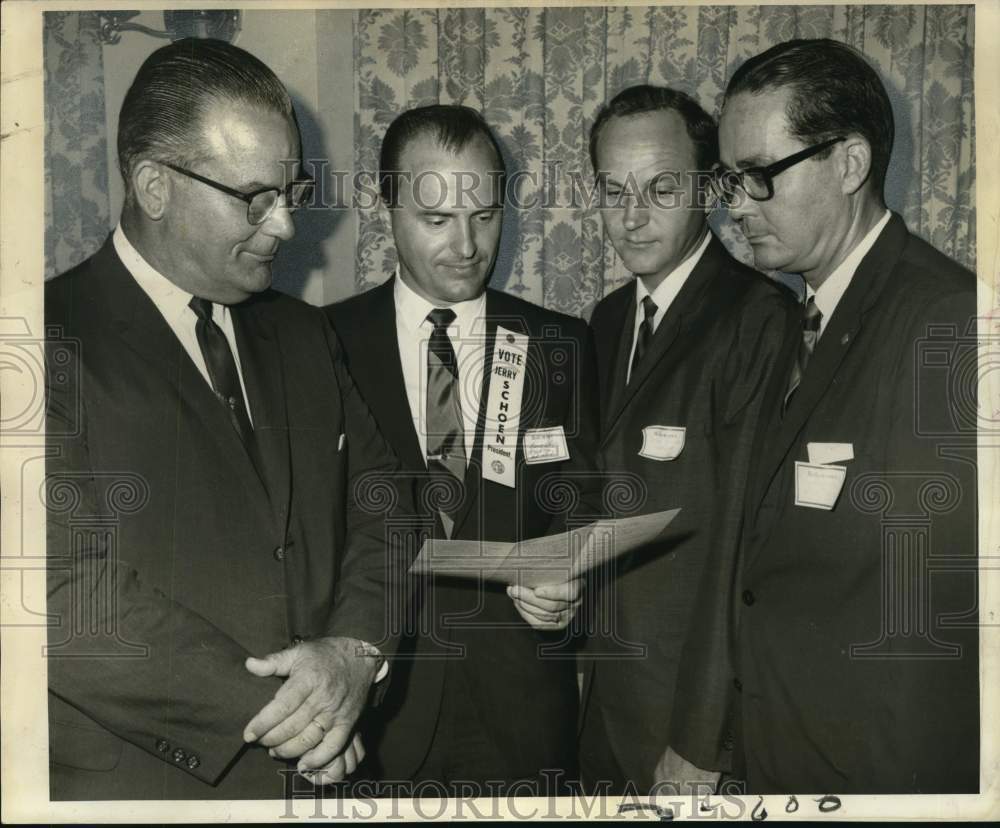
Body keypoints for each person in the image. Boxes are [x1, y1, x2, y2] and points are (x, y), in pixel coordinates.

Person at [45, 39, 408, 799]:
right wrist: (295, 715)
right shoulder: (42, 337)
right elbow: (60, 594)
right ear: (153, 185)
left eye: (292, 193)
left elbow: (388, 502)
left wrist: (353, 650)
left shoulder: (306, 336)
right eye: (254, 199)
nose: (282, 228)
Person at [705, 37, 979, 793]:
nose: (735, 204)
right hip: (782, 761)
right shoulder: (801, 316)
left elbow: (939, 628)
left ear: (851, 165)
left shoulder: (948, 322)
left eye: (759, 175)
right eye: (729, 178)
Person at [327, 104, 601, 793]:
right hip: (374, 716)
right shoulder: (319, 345)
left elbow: (585, 500)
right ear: (385, 205)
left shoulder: (559, 344)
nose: (468, 245)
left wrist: (572, 584)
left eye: (484, 215)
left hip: (522, 716)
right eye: (437, 220)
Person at [577, 85, 796, 795]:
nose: (631, 216)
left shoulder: (759, 318)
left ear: (705, 187)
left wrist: (703, 740)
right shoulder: (606, 321)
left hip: (691, 722)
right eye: (614, 191)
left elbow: (742, 549)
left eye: (661, 188)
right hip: (605, 701)